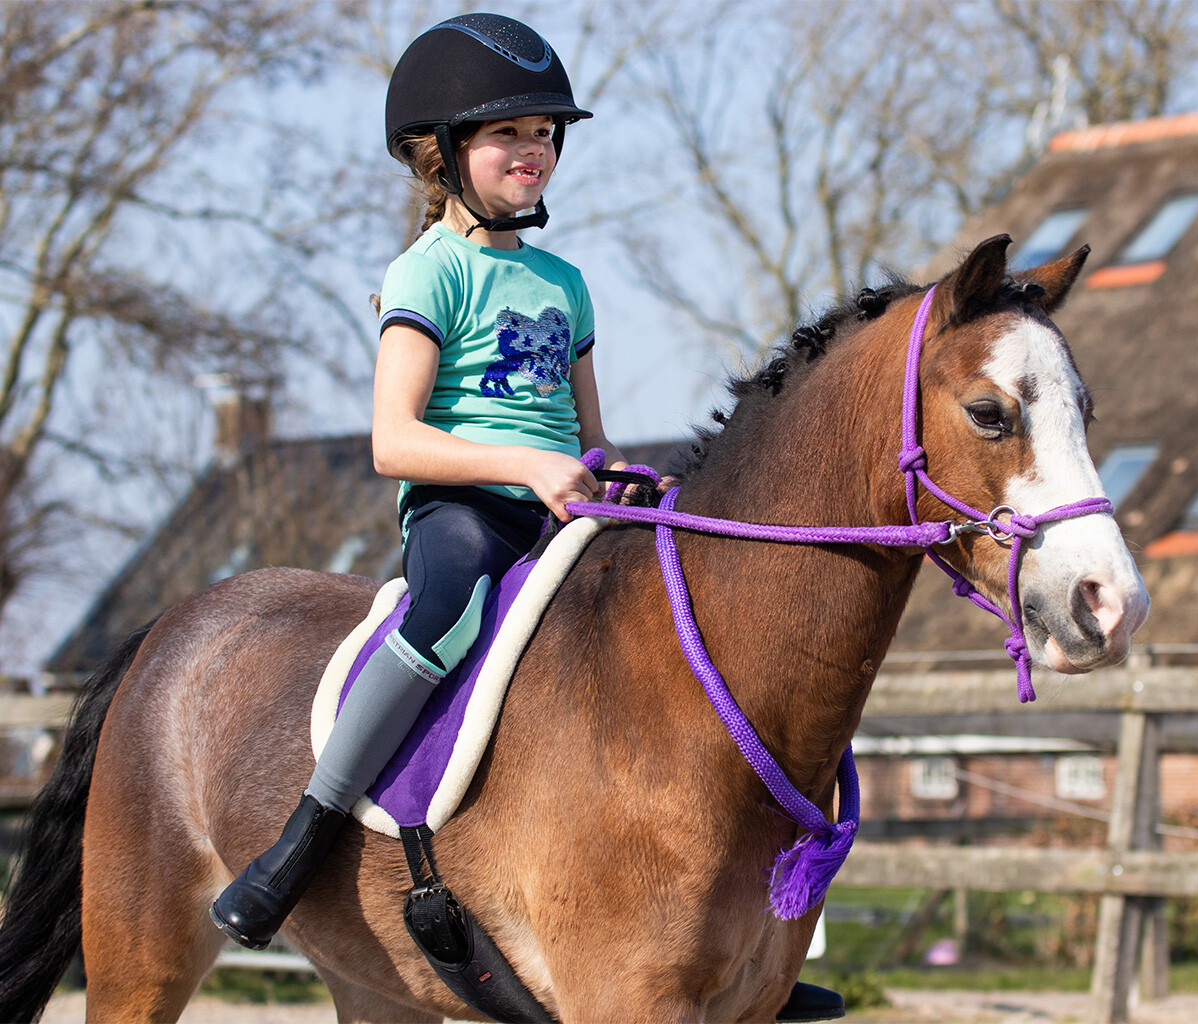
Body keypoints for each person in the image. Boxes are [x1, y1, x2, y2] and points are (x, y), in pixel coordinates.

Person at [211, 13, 841, 1022]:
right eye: (510, 135)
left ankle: (729, 937)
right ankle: (303, 837)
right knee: (446, 611)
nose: (532, 152)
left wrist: (615, 476)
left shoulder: (564, 282)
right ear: (443, 151)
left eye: (546, 134)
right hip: (464, 510)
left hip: (559, 511)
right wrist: (522, 465)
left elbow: (584, 437)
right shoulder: (429, 272)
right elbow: (392, 439)